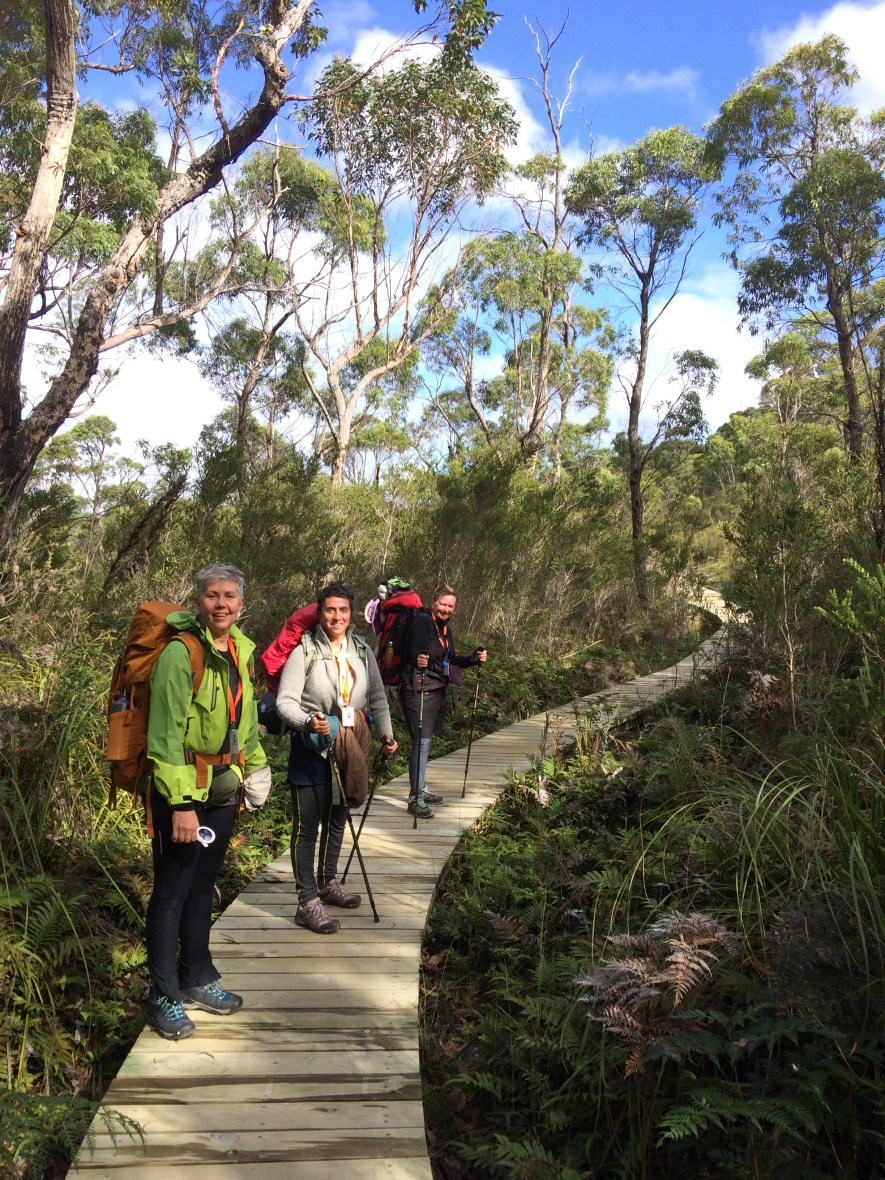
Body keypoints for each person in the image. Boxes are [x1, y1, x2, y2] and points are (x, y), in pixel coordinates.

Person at [144, 563, 270, 1040]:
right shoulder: (182, 654)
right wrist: (179, 803)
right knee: (172, 891)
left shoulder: (239, 648)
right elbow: (165, 734)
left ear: (241, 603)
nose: (221, 604)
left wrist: (255, 766)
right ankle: (162, 994)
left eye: (229, 596)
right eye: (212, 596)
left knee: (202, 885)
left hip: (221, 790)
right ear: (199, 601)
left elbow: (244, 716)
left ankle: (197, 972)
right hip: (183, 794)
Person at [276, 582, 397, 934]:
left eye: (343, 610)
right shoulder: (304, 652)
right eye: (330, 610)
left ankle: (328, 883)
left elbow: (376, 697)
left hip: (352, 742)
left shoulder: (361, 650)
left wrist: (386, 734)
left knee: (337, 819)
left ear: (351, 614)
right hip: (312, 746)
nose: (337, 617)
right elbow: (285, 702)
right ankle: (307, 901)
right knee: (307, 827)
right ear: (320, 612)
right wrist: (306, 721)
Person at [400, 584, 487, 818]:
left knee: (425, 742)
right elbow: (414, 650)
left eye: (451, 606)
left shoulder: (443, 629)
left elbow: (450, 658)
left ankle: (421, 787)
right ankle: (414, 797)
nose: (446, 609)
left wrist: (473, 659)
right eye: (443, 604)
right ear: (433, 602)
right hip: (419, 688)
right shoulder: (422, 623)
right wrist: (418, 659)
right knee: (422, 742)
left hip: (435, 688)